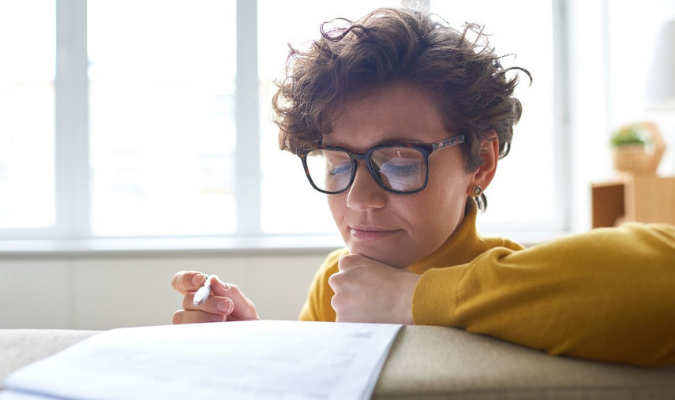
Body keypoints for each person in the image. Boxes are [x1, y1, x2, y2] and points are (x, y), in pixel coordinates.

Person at [171, 7, 675, 367]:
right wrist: (256, 353)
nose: (357, 201)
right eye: (338, 162)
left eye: (399, 162)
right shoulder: (338, 282)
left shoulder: (518, 288)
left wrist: (410, 299)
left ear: (480, 162)